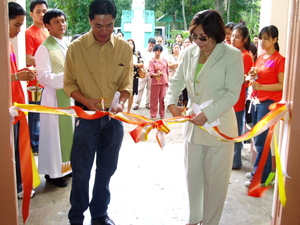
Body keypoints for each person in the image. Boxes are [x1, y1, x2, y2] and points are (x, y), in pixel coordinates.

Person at [165, 9, 243, 225]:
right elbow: (177, 80)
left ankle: (210, 222)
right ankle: (195, 217)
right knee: (193, 178)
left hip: (219, 129)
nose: (198, 41)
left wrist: (207, 114)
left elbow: (232, 93)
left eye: (203, 37)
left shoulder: (232, 55)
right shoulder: (189, 53)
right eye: (194, 36)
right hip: (193, 127)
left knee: (215, 183)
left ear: (216, 34)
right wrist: (171, 102)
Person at [64, 0, 133, 224]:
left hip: (113, 120)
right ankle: (76, 216)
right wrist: (86, 101)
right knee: (81, 172)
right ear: (90, 21)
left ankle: (100, 213)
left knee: (106, 170)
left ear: (115, 22)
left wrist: (121, 101)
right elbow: (69, 84)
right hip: (86, 119)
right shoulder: (76, 48)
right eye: (98, 26)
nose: (104, 31)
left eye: (109, 25)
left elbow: (126, 84)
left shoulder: (123, 48)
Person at [35, 9, 72, 188]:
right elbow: (43, 77)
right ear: (47, 26)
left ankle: (66, 168)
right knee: (54, 136)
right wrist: (68, 78)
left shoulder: (66, 43)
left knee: (68, 134)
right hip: (53, 98)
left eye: (63, 21)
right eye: (56, 21)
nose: (61, 24)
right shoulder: (44, 48)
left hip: (68, 97)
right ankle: (53, 173)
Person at [245, 25, 285, 187]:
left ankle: (261, 178)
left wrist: (261, 87)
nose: (262, 41)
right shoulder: (261, 57)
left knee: (261, 140)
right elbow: (255, 75)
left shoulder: (279, 60)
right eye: (261, 38)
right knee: (258, 139)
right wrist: (253, 75)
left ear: (275, 39)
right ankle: (261, 172)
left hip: (268, 104)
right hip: (256, 102)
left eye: (266, 38)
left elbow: (281, 85)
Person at [8, 1, 37, 199]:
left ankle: (19, 183)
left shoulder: (8, 44)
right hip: (7, 105)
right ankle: (15, 185)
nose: (20, 30)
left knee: (19, 146)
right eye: (16, 25)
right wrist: (17, 77)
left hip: (15, 103)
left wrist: (19, 74)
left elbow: (8, 73)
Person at [25, 0, 49, 155]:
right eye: (38, 11)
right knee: (35, 113)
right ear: (31, 14)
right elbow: (28, 58)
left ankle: (42, 141)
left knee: (45, 113)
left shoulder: (48, 31)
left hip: (49, 80)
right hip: (35, 82)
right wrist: (47, 59)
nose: (42, 15)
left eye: (44, 12)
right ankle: (34, 145)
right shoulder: (29, 33)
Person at [231, 24, 253, 169]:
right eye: (232, 35)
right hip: (234, 96)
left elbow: (241, 79)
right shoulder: (236, 53)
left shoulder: (244, 56)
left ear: (244, 39)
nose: (233, 39)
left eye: (237, 37)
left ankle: (236, 160)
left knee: (236, 130)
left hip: (237, 97)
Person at [133, 38, 156, 110]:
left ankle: (148, 103)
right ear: (148, 44)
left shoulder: (155, 52)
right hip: (143, 72)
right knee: (140, 88)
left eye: (152, 45)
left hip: (152, 72)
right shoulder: (143, 51)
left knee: (150, 89)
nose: (151, 47)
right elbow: (140, 61)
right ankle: (136, 103)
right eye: (150, 45)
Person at [149, 44, 169, 120]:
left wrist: (167, 80)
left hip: (163, 82)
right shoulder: (152, 61)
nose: (157, 52)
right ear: (154, 51)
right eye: (156, 51)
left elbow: (167, 71)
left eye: (159, 51)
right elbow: (151, 72)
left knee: (163, 99)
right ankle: (153, 114)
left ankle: (162, 113)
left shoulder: (164, 59)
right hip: (155, 82)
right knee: (154, 99)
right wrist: (157, 75)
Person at [127, 38, 143, 113]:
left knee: (132, 94)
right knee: (122, 92)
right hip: (125, 76)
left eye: (131, 43)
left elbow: (142, 64)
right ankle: (121, 108)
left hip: (134, 76)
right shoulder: (122, 53)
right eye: (129, 43)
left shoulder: (137, 53)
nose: (130, 45)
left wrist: (135, 64)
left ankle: (128, 111)